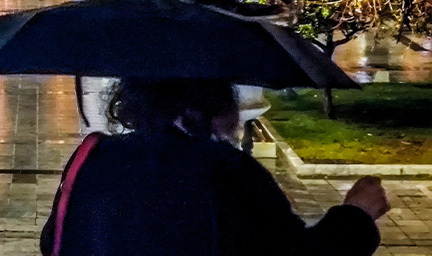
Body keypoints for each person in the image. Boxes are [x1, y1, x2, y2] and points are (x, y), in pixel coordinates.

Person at [40, 79, 389, 256]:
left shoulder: (95, 158)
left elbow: (54, 241)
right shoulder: (229, 172)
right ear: (215, 103)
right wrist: (356, 216)